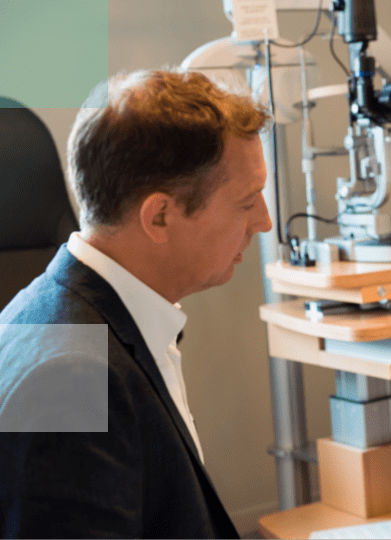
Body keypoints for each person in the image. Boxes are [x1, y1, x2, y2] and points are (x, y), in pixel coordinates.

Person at [0, 68, 272, 538]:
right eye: (247, 203)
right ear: (160, 216)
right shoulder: (72, 380)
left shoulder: (95, 324)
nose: (264, 222)